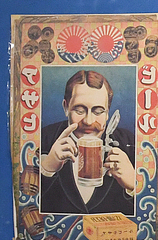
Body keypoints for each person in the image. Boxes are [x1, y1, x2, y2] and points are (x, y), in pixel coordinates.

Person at [35, 69, 142, 216]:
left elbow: (148, 211)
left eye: (98, 111)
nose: (89, 121)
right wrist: (46, 169)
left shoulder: (129, 143)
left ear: (108, 113)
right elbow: (27, 205)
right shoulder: (43, 139)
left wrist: (134, 185)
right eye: (79, 110)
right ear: (66, 107)